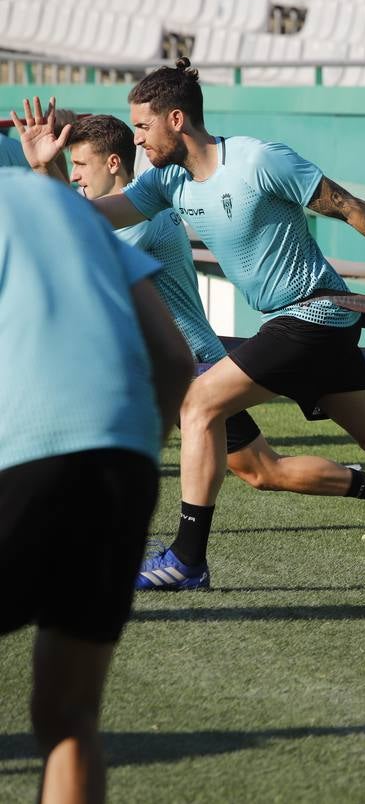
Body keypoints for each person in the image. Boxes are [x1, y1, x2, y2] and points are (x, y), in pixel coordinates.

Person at [23, 59, 365, 591]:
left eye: (143, 127)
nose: (139, 139)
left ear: (175, 120)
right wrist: (45, 171)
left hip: (313, 314)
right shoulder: (169, 183)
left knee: (200, 403)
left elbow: (348, 207)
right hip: (301, 323)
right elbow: (92, 218)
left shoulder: (258, 159)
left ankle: (187, 560)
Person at [58, 112, 365, 547]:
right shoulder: (129, 211)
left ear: (113, 163)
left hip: (188, 364)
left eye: (79, 165)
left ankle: (162, 552)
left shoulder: (144, 219)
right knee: (262, 471)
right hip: (159, 367)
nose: (74, 176)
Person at [0, 168, 194, 802]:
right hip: (123, 457)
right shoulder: (66, 205)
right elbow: (173, 357)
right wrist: (137, 452)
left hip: (23, 453)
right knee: (69, 715)